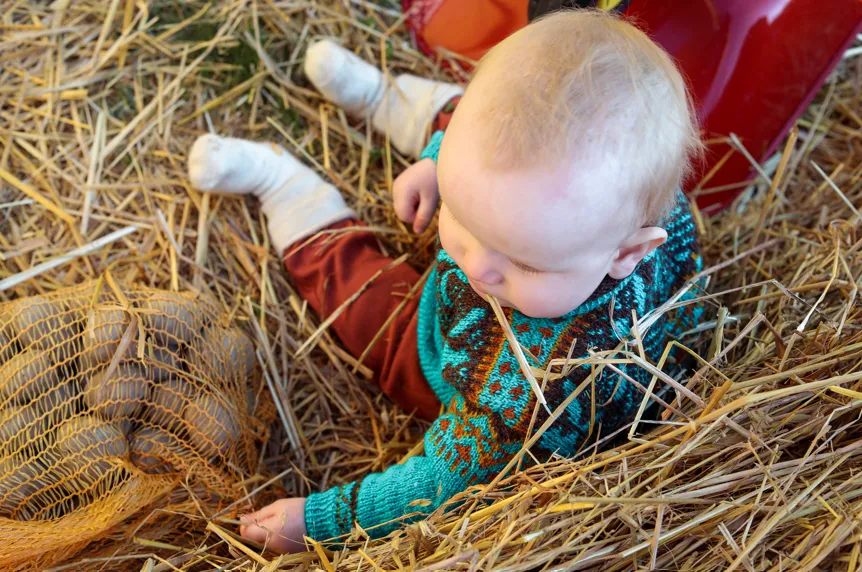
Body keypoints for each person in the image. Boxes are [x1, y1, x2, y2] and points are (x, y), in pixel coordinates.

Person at [188, 10, 703, 553]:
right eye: (460, 215)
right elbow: (488, 150)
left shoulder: (544, 386)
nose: (476, 268)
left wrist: (320, 522)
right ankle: (385, 97)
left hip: (451, 357)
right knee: (481, 120)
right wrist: (438, 167)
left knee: (367, 306)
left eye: (525, 264)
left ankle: (287, 189)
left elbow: (440, 481)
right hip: (501, 194)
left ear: (627, 253)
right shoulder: (591, 205)